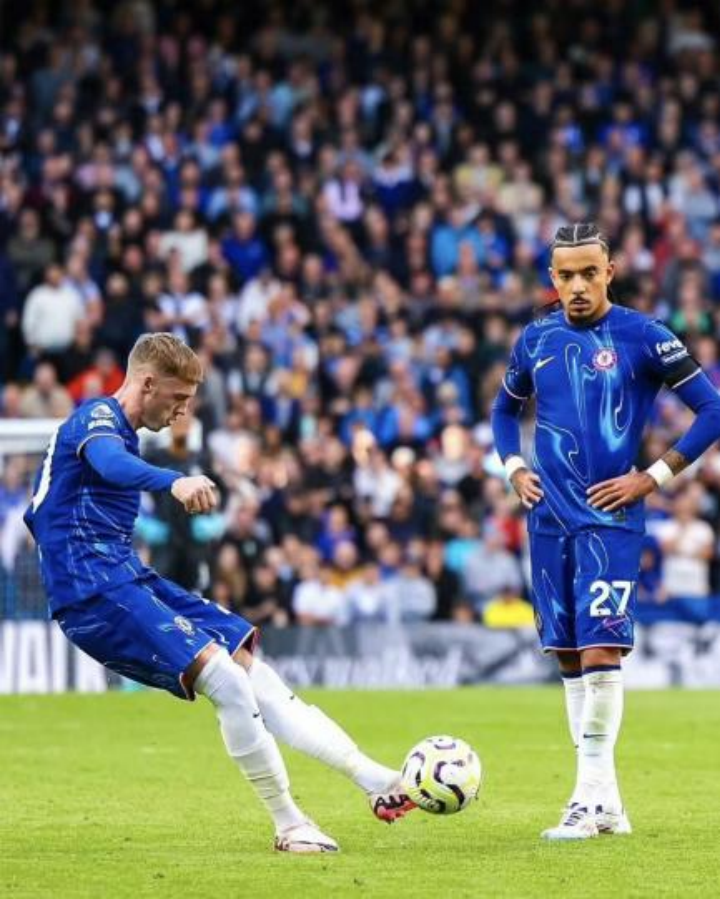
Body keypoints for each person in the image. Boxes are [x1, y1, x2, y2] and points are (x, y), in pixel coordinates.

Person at [24, 332, 414, 854]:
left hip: (127, 576)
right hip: (90, 591)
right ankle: (290, 824)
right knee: (225, 680)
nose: (183, 411)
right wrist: (173, 481)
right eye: (178, 398)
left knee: (255, 672)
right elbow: (110, 464)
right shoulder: (96, 418)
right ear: (147, 383)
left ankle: (374, 779)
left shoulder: (124, 433)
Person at [491, 223, 720, 840]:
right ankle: (607, 803)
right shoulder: (536, 337)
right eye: (565, 275)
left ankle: (585, 800)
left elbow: (713, 408)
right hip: (548, 521)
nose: (577, 285)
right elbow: (503, 409)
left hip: (610, 521)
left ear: (609, 272)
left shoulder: (643, 335)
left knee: (600, 652)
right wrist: (513, 467)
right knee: (569, 656)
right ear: (552, 278)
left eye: (589, 273)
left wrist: (653, 477)